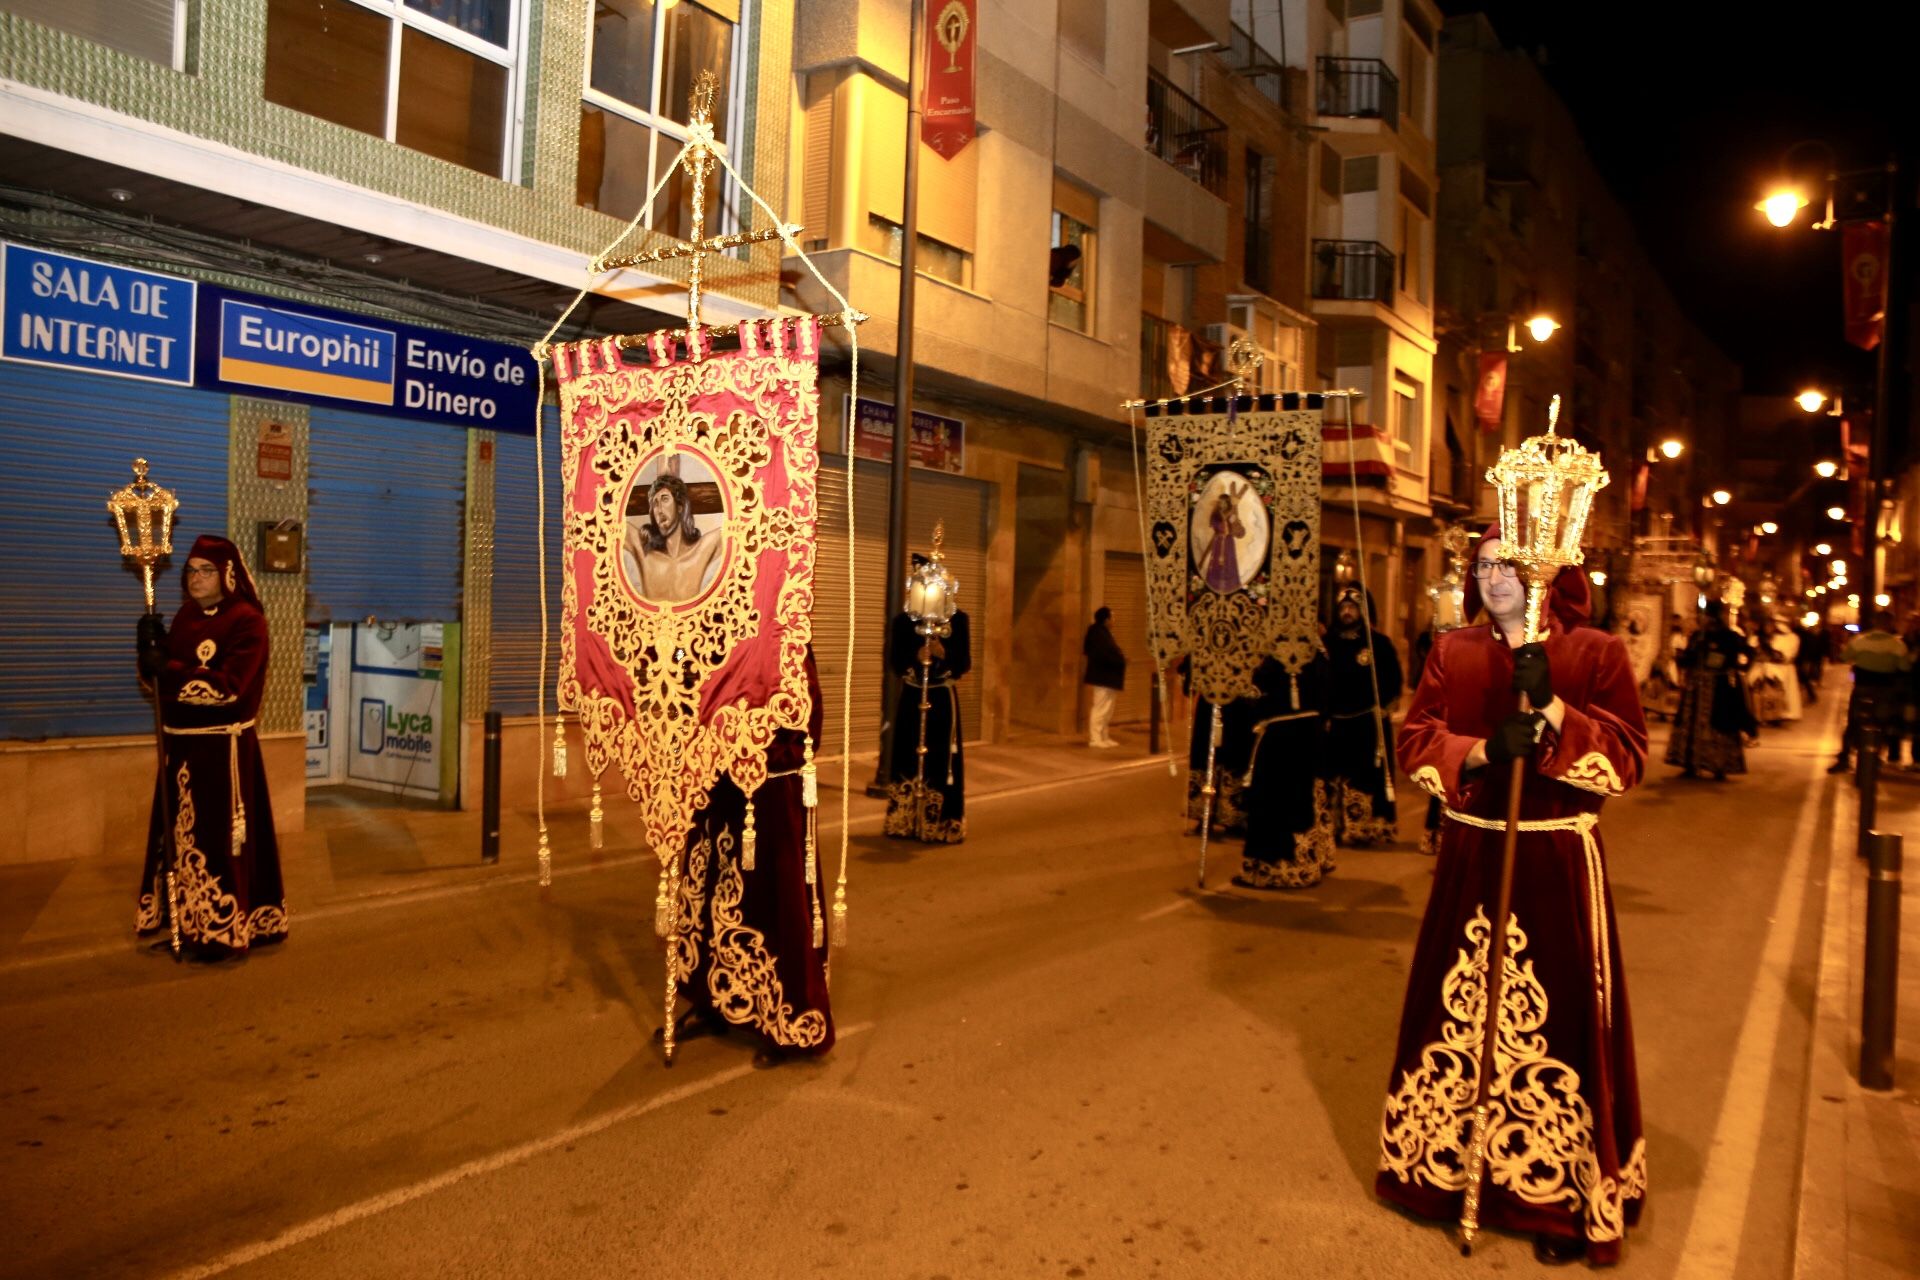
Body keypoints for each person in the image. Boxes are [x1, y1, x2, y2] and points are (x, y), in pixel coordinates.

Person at [1380, 527, 1649, 1266]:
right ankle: (1441, 1173)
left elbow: (1626, 759)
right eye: (1485, 564)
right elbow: (1415, 741)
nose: (1494, 576)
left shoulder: (1596, 653)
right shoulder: (1452, 651)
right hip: (1472, 853)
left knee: (1556, 1020)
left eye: (1511, 564)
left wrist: (1555, 711)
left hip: (1555, 858)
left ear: (1546, 576)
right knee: (1457, 1013)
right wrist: (1479, 751)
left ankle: (1557, 1201)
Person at [667, 652, 834, 1058]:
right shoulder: (712, 628)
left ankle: (784, 1014)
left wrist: (757, 749)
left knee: (772, 898)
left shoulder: (786, 630)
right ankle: (713, 998)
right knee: (710, 894)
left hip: (769, 790)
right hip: (717, 786)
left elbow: (804, 719)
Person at [134, 535, 288, 960]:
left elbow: (230, 689)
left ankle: (221, 930)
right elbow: (160, 687)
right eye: (190, 571)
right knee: (181, 840)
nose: (195, 579)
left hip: (222, 754)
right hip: (180, 753)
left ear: (227, 575)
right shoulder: (184, 617)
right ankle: (186, 922)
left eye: (205, 571)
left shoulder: (247, 621)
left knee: (218, 842)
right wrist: (148, 653)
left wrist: (171, 668)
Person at [1233, 655, 1335, 889]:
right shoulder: (1315, 657)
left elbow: (1255, 697)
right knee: (1298, 799)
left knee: (1276, 801)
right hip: (1305, 737)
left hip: (1282, 741)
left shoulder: (1279, 661)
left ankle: (1281, 867)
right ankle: (1301, 864)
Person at [884, 573, 971, 843]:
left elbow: (964, 662)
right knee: (908, 753)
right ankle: (904, 820)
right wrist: (915, 656)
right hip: (912, 695)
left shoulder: (958, 621)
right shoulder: (903, 622)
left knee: (941, 758)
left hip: (942, 699)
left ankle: (941, 822)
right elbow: (895, 661)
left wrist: (943, 653)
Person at [1324, 584, 1403, 845]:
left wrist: (1386, 705)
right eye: (1343, 608)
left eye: (1352, 608)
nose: (1347, 613)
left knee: (1366, 776)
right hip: (1335, 724)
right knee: (1334, 776)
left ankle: (1366, 827)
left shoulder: (1378, 644)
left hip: (1367, 725)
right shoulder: (1327, 644)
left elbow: (1393, 679)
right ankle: (1336, 825)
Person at [1665, 600, 1757, 779]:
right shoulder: (1698, 635)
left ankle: (1718, 766)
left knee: (1720, 723)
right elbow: (1690, 658)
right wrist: (1682, 658)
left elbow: (1745, 653)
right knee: (1691, 723)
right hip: (1696, 687)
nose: (1702, 619)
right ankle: (1691, 764)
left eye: (1705, 615)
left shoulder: (1728, 636)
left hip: (1719, 686)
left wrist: (1729, 665)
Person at [1828, 610, 1910, 774]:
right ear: (1890, 624)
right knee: (1883, 723)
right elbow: (1904, 667)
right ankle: (1877, 755)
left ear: (1874, 622)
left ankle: (1844, 758)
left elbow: (1844, 657)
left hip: (1862, 687)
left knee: (1853, 722)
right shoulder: (1897, 645)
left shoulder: (1860, 641)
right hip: (1885, 689)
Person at [624, 472, 722, 603]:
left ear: (680, 506)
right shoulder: (645, 554)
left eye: (664, 499)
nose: (659, 510)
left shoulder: (701, 550)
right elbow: (608, 520)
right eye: (655, 503)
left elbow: (737, 528)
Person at [1083, 606, 1126, 749]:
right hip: (1102, 677)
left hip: (1109, 677)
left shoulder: (1104, 633)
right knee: (1100, 708)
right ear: (1106, 619)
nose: (1114, 620)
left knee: (1107, 709)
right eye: (1112, 617)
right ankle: (1095, 738)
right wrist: (1120, 659)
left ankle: (1104, 736)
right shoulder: (1097, 634)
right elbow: (1104, 655)